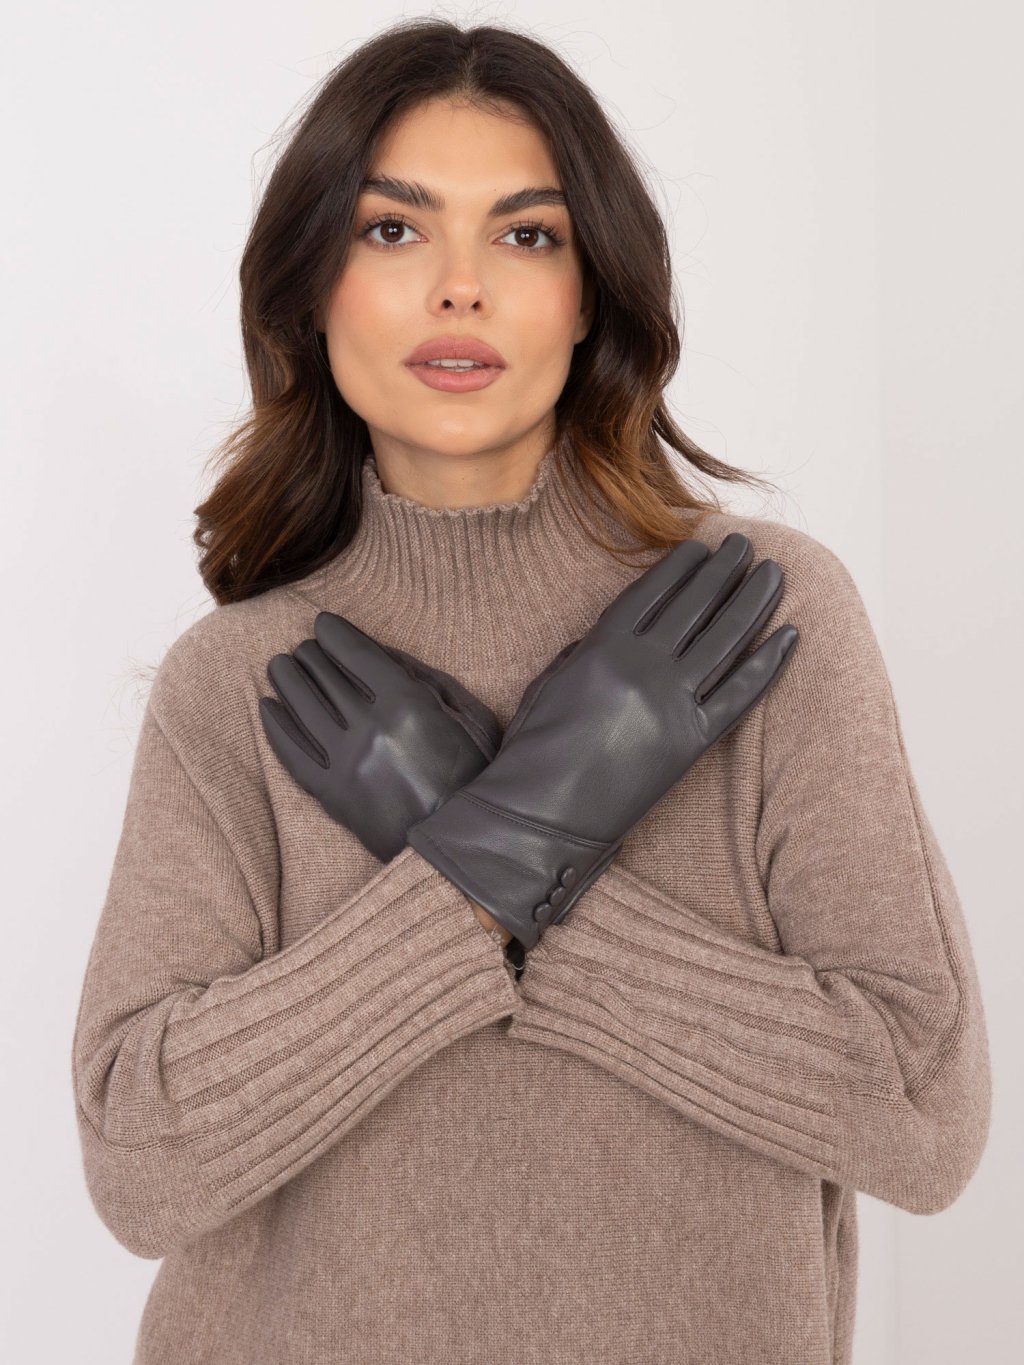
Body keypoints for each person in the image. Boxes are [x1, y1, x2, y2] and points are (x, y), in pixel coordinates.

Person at [71, 19, 992, 1364]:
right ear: (312, 288)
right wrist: (506, 847)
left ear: (592, 293)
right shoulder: (248, 685)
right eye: (394, 230)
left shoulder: (756, 622)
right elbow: (139, 1163)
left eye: (526, 234)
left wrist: (490, 842)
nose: (460, 289)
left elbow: (920, 1114)